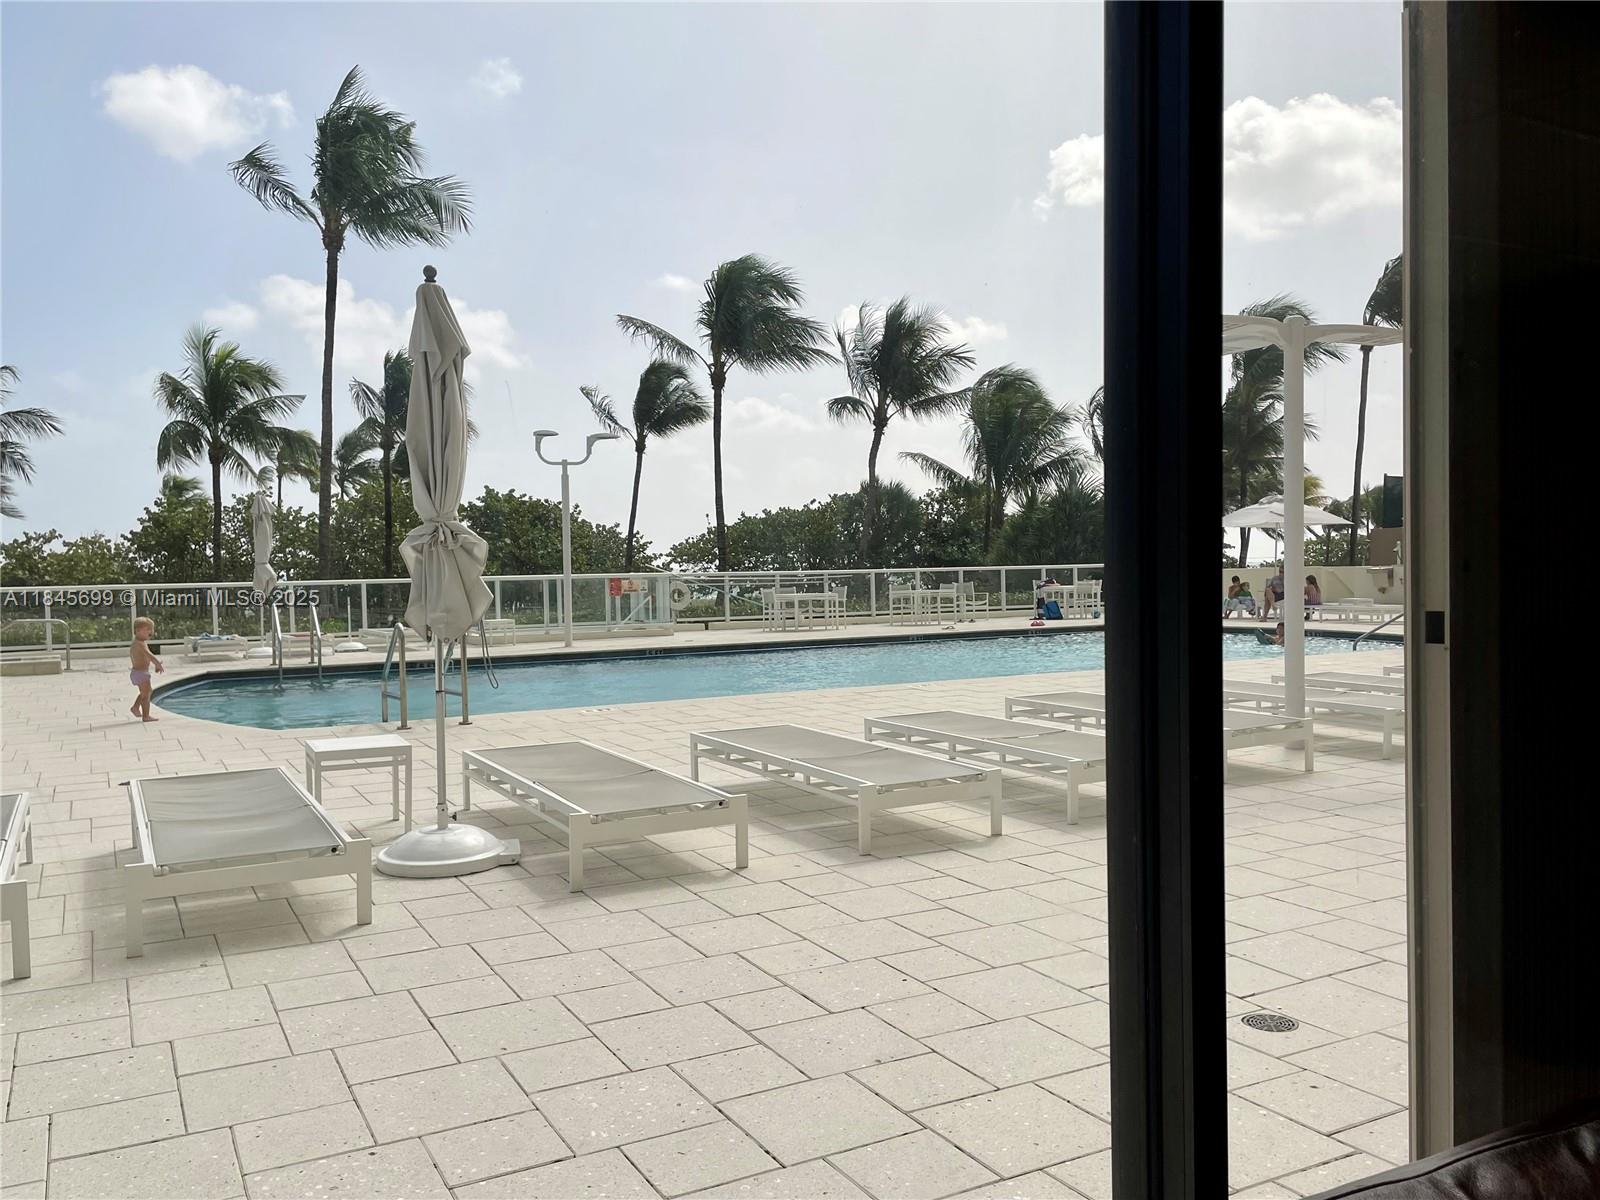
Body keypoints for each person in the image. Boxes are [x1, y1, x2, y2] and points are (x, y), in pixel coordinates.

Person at [129, 617, 164, 721]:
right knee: (146, 695)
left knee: (146, 692)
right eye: (147, 630)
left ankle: (135, 707)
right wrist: (158, 664)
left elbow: (146, 658)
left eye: (151, 630)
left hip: (138, 672)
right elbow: (149, 655)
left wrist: (155, 665)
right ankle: (146, 716)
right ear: (137, 631)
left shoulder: (139, 642)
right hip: (140, 673)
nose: (150, 632)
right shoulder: (139, 644)